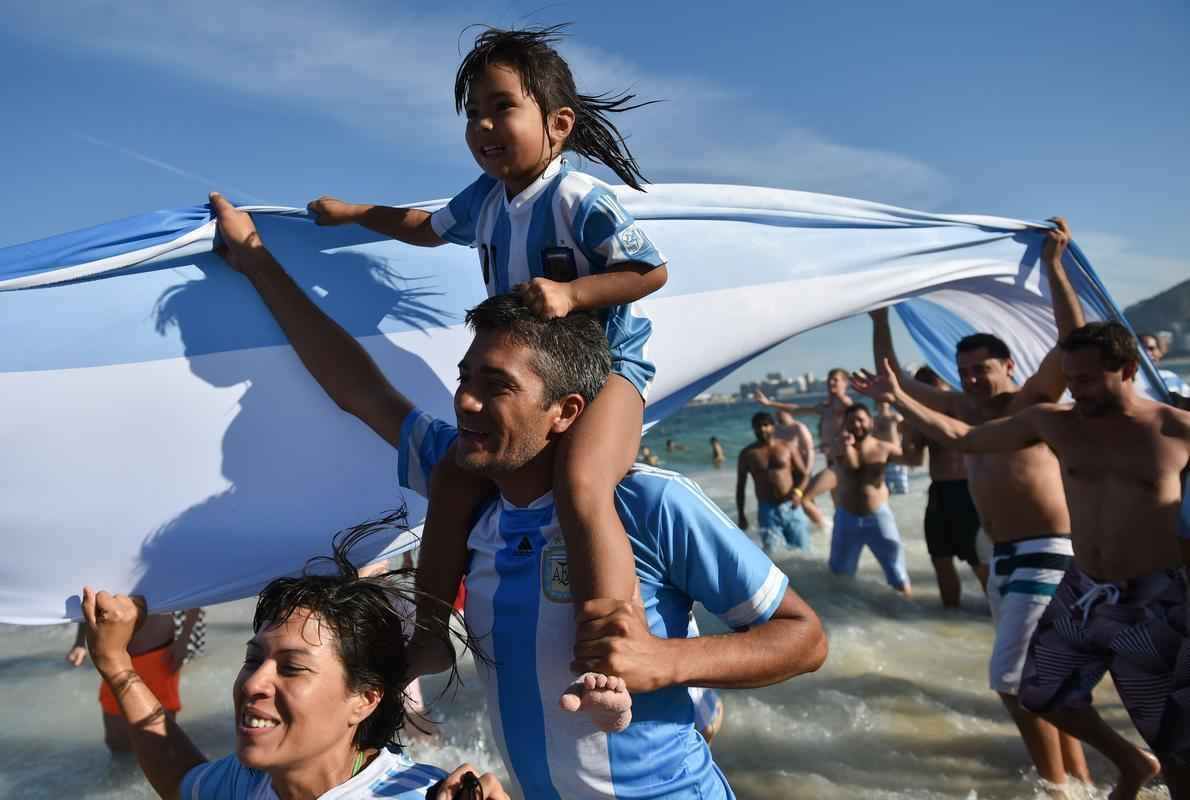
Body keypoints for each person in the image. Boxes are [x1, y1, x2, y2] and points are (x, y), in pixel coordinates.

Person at [209, 199, 828, 799]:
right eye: (465, 378)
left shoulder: (648, 505)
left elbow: (803, 639)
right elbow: (359, 388)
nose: (465, 401)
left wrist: (665, 661)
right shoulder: (464, 484)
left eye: (496, 385)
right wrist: (257, 259)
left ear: (565, 411)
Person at [305, 25, 669, 679]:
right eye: (473, 112)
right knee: (452, 479)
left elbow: (649, 271)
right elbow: (426, 228)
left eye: (502, 107)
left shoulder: (579, 200)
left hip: (608, 368)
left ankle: (612, 637)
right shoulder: (486, 199)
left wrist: (573, 293)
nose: (483, 125)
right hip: (531, 379)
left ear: (558, 124)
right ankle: (430, 635)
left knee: (582, 481)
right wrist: (356, 212)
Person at [857, 321, 1189, 799]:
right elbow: (964, 437)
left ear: (1129, 369)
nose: (1077, 390)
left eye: (1088, 379)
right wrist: (898, 398)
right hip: (1084, 587)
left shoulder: (1176, 430)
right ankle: (1131, 763)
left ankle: (1142, 766)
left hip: (1152, 599)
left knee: (1174, 742)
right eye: (1071, 380)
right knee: (1039, 692)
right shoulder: (1056, 422)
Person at [861, 218, 1091, 792]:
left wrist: (1054, 267)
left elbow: (1073, 342)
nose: (972, 380)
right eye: (964, 372)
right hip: (1000, 554)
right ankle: (1079, 778)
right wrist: (880, 319)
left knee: (1012, 680)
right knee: (1043, 674)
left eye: (982, 369)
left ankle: (1055, 787)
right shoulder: (960, 408)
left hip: (1047, 550)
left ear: (1008, 366)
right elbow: (896, 381)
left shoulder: (1033, 402)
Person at [78, 517, 509, 800]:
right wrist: (116, 665)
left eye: (292, 667)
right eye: (254, 660)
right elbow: (181, 780)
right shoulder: (253, 781)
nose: (253, 683)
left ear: (364, 698)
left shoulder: (416, 795)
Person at [900, 366, 987, 607]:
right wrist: (907, 432)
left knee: (979, 561)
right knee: (940, 558)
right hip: (939, 492)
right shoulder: (920, 419)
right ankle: (950, 614)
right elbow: (913, 459)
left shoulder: (963, 411)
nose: (926, 394)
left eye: (931, 386)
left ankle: (996, 616)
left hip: (967, 491)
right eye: (921, 387)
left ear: (945, 386)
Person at [67, 608, 204, 752]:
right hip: (114, 659)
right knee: (117, 743)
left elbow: (194, 597)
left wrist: (184, 639)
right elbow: (87, 600)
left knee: (162, 742)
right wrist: (80, 643)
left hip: (159, 655)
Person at [811, 404, 911, 595]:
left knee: (898, 575)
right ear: (844, 425)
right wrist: (847, 446)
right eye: (851, 421)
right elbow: (852, 466)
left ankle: (908, 609)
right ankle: (846, 611)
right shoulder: (838, 447)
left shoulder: (883, 448)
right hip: (847, 517)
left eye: (861, 420)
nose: (856, 425)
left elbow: (914, 460)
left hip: (878, 516)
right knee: (839, 576)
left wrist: (912, 433)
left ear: (871, 422)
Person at [737, 412, 812, 553]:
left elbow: (804, 475)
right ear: (753, 429)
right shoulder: (747, 454)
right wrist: (741, 514)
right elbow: (740, 486)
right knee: (773, 555)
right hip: (767, 510)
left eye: (766, 425)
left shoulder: (787, 447)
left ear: (773, 426)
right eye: (758, 426)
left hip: (791, 506)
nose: (762, 429)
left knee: (803, 551)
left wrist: (798, 492)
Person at [874, 400, 910, 495]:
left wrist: (908, 455)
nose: (882, 405)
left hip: (896, 456)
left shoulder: (895, 418)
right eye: (879, 402)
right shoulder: (874, 421)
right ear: (876, 405)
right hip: (882, 458)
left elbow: (906, 434)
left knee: (902, 490)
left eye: (884, 402)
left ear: (889, 404)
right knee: (885, 490)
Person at [1141, 331, 1190, 398]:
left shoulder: (1171, 377)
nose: (1146, 353)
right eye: (1141, 349)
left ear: (1159, 353)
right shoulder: (1129, 382)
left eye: (1151, 349)